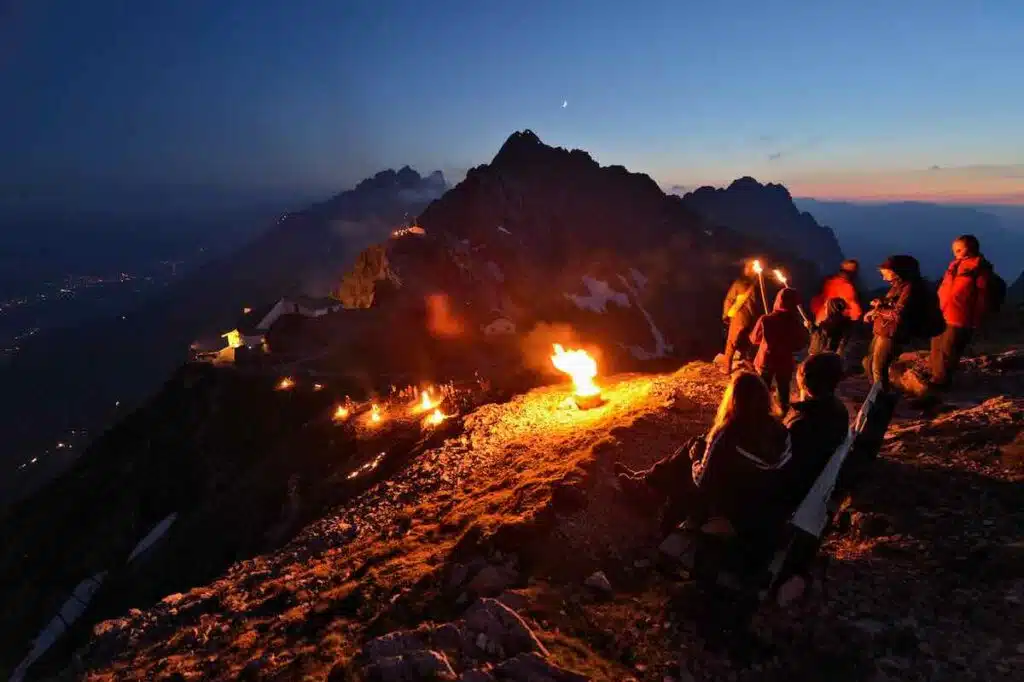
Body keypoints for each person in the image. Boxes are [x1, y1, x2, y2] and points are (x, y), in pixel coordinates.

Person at [615, 372, 792, 537]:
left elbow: (701, 480)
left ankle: (648, 489)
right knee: (695, 443)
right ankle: (648, 482)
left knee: (691, 454)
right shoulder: (780, 432)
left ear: (734, 400)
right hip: (757, 503)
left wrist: (696, 458)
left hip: (728, 507)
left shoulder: (727, 435)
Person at [777, 352, 850, 511]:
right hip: (815, 482)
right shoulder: (837, 409)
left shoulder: (804, 422)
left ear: (804, 379)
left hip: (795, 493)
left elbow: (783, 463)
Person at [930, 234, 994, 391]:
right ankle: (933, 382)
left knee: (947, 352)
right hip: (943, 313)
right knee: (936, 349)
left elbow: (982, 298)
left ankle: (939, 389)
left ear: (971, 248)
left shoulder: (979, 269)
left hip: (959, 318)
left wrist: (976, 320)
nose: (955, 252)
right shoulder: (955, 265)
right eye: (954, 249)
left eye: (959, 248)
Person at [862, 255, 924, 392]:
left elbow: (898, 314)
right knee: (868, 361)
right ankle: (876, 393)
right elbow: (893, 304)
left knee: (878, 368)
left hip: (891, 333)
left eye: (886, 274)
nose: (884, 278)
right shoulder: (898, 286)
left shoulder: (910, 288)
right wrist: (881, 303)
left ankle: (880, 398)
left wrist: (877, 312)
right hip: (882, 330)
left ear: (898, 272)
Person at [749, 288, 809, 412]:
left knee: (763, 386)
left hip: (766, 359)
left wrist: (767, 339)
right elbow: (800, 344)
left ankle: (761, 411)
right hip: (784, 361)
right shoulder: (795, 323)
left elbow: (754, 338)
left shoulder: (766, 319)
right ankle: (783, 410)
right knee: (783, 387)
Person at [720, 262, 760, 375]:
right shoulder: (757, 286)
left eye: (747, 268)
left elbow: (729, 299)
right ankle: (749, 366)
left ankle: (726, 368)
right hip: (752, 319)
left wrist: (726, 315)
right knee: (748, 342)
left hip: (740, 317)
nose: (745, 269)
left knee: (732, 342)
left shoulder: (739, 283)